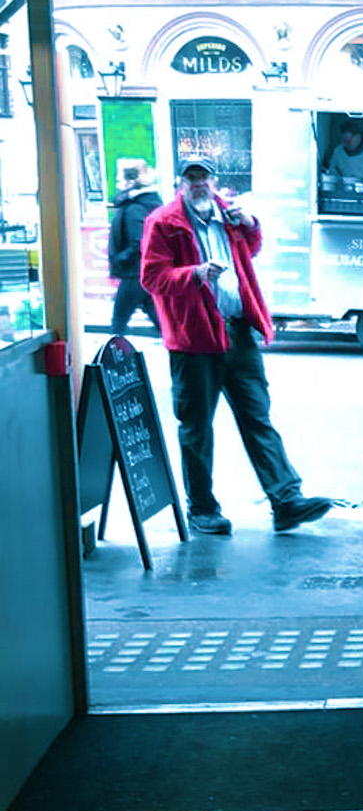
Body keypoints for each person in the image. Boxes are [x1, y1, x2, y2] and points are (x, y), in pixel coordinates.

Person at [139, 157, 332, 537]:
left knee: (258, 416)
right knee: (197, 428)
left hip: (238, 333)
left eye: (204, 177)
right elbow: (152, 277)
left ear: (214, 181)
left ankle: (286, 500)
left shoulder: (229, 216)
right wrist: (194, 274)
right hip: (194, 340)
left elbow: (251, 249)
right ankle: (202, 509)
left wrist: (251, 225)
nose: (198, 183)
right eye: (191, 177)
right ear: (181, 183)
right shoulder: (163, 222)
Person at [107, 160, 162, 338]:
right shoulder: (142, 204)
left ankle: (114, 352)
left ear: (130, 181)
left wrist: (120, 259)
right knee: (159, 319)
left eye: (120, 179)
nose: (118, 184)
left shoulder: (134, 208)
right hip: (143, 273)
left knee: (118, 322)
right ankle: (180, 346)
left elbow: (139, 242)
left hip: (134, 274)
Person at [325, 123, 363, 192]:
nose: (348, 143)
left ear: (359, 136)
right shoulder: (338, 152)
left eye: (350, 140)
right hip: (341, 193)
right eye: (345, 140)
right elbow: (332, 176)